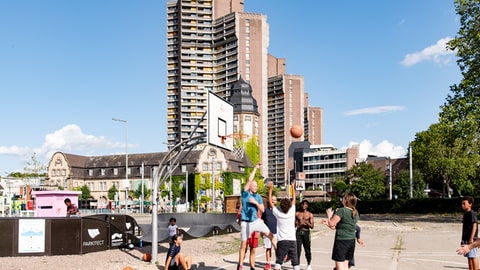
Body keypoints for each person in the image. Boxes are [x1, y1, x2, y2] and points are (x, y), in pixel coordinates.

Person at [237, 163, 276, 270]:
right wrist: (255, 168)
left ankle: (281, 256)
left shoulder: (258, 197)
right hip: (246, 222)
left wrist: (256, 203)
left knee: (271, 236)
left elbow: (262, 210)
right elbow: (249, 180)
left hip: (255, 222)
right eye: (254, 186)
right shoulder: (245, 194)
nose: (256, 187)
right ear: (250, 187)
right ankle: (240, 265)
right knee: (243, 244)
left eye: (257, 186)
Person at [268, 180, 300, 270]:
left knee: (278, 262)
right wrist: (292, 187)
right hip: (292, 240)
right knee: (295, 263)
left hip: (282, 241)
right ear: (289, 206)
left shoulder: (278, 213)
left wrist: (270, 189)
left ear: (280, 206)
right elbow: (294, 199)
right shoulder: (292, 211)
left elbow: (270, 202)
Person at [324, 193, 359, 270]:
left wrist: (329, 215)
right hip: (351, 241)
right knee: (346, 266)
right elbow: (338, 226)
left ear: (346, 200)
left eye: (343, 198)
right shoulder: (355, 213)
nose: (342, 200)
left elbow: (331, 223)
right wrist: (327, 224)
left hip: (341, 241)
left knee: (339, 266)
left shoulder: (342, 210)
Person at [460, 196, 478, 270]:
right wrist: (462, 239)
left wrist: (471, 238)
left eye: (464, 203)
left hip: (472, 239)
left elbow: (475, 225)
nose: (462, 205)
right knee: (469, 257)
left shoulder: (472, 214)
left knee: (473, 256)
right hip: (466, 239)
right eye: (462, 204)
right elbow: (464, 228)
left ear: (470, 204)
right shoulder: (465, 214)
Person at [295, 200, 314, 270]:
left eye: (305, 204)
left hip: (306, 232)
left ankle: (308, 264)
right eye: (303, 204)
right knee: (297, 249)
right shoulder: (297, 214)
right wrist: (299, 224)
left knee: (307, 250)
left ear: (307, 206)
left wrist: (306, 223)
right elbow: (294, 224)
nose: (304, 205)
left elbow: (312, 226)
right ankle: (297, 265)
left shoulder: (310, 214)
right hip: (298, 232)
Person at [262, 195, 277, 270]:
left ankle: (278, 263)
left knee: (277, 248)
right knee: (268, 248)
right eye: (272, 199)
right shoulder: (265, 210)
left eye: (274, 200)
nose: (273, 201)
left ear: (276, 201)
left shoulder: (278, 210)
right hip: (267, 233)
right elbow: (262, 221)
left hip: (276, 232)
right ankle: (268, 263)